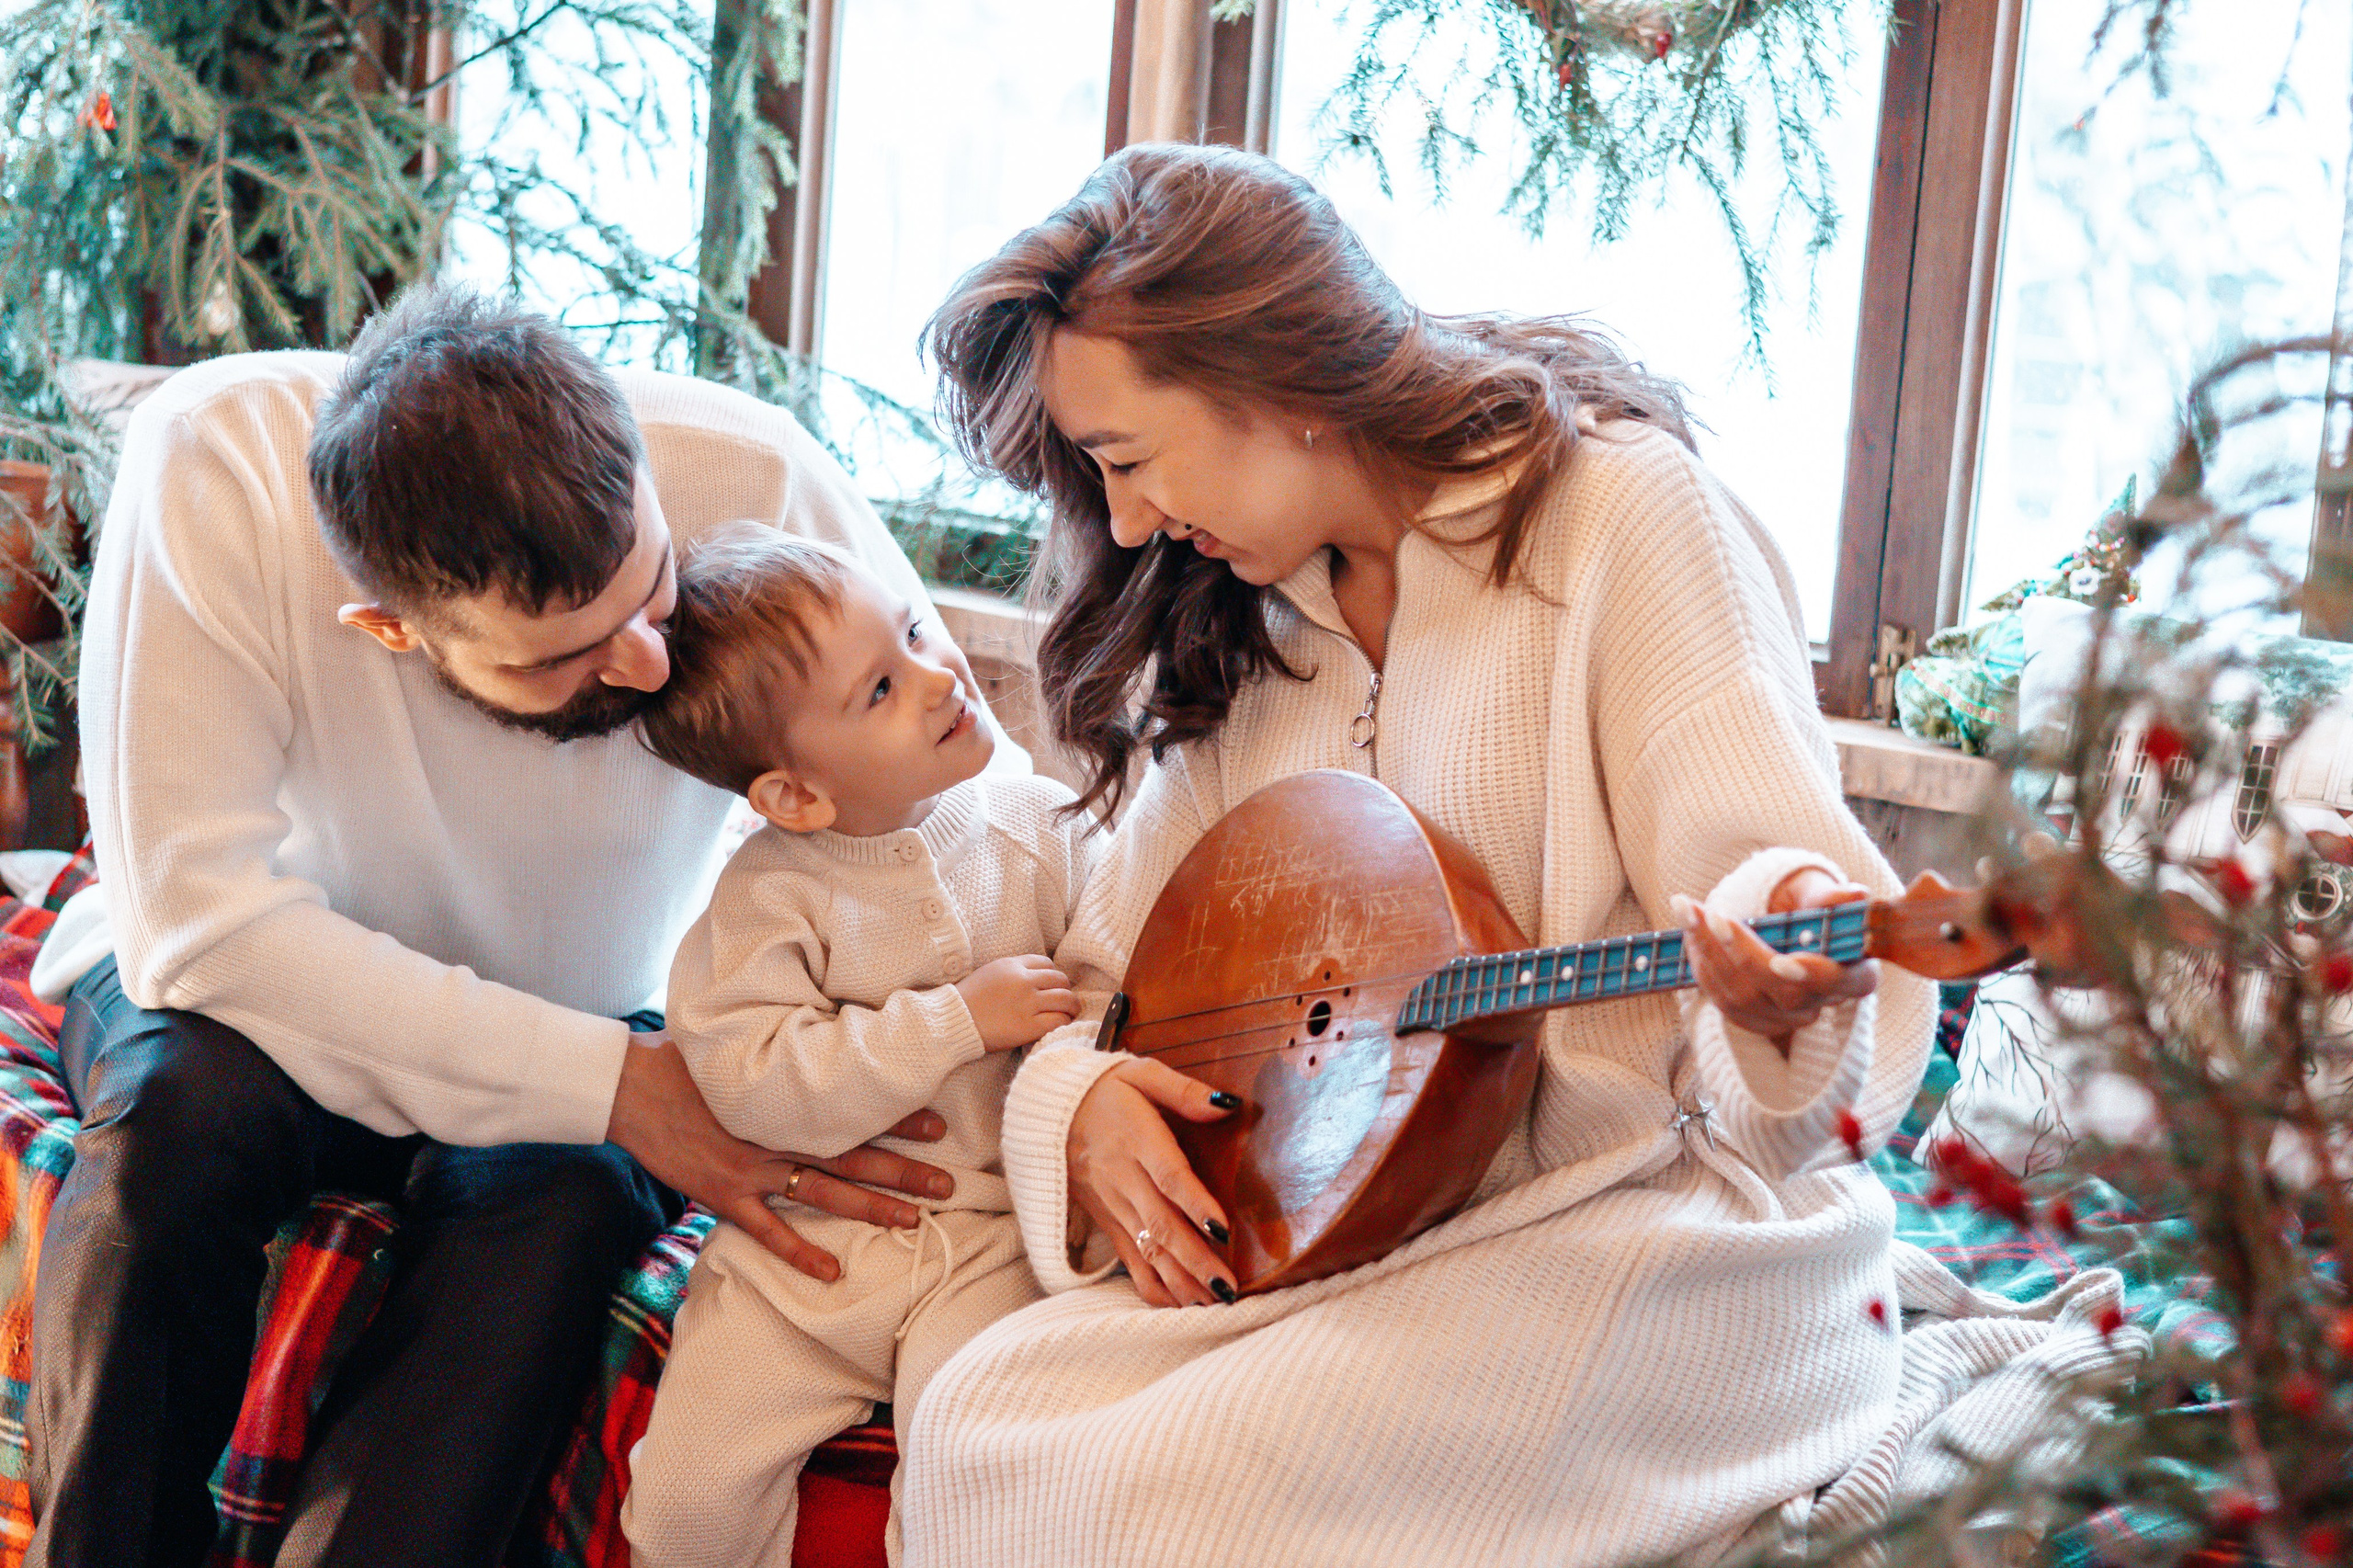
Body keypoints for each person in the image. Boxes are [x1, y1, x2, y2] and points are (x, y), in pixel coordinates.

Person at [895, 144, 2139, 1565]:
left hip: (1666, 1232)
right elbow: (1111, 978)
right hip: (1369, 1234)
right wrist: (1083, 1104)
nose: (1122, 521)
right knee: (975, 1424)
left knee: (1157, 1498)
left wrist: (1788, 990)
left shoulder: (1616, 519)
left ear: (1272, 376)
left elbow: (1777, 888)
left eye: (1126, 458)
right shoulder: (1229, 612)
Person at [32, 285, 1021, 1568]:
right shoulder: (217, 459)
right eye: (564, 659)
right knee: (179, 1123)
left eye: (655, 591)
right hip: (245, 1011)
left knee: (561, 1212)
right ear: (388, 629)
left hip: (592, 1015)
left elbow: (975, 783)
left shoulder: (756, 471)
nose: (647, 664)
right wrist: (615, 1083)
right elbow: (202, 929)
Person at [620, 528, 1101, 1564]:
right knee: (684, 1504)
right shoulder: (765, 898)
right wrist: (956, 1021)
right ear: (796, 795)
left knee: (976, 1472)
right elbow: (752, 1084)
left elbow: (1120, 977)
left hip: (990, 1243)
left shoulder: (1043, 825)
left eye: (916, 632)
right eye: (881, 688)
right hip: (801, 1265)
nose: (939, 679)